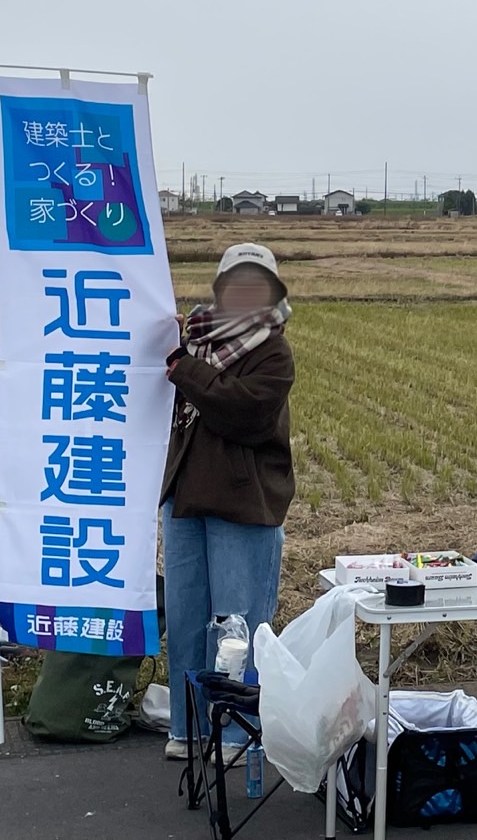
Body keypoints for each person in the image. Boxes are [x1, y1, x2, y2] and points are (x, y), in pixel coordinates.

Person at [160, 242, 296, 761]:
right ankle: (187, 728)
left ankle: (237, 736)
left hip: (244, 503)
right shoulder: (193, 339)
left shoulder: (272, 351)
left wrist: (183, 368)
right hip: (184, 497)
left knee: (238, 625)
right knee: (189, 620)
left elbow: (246, 412)